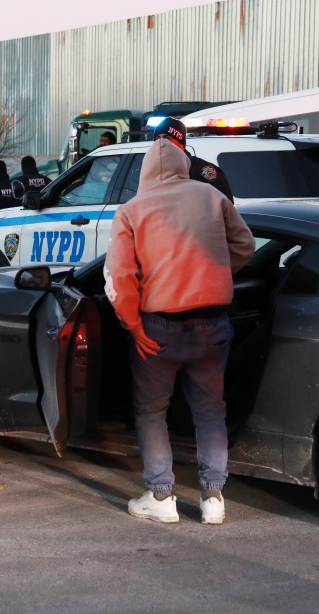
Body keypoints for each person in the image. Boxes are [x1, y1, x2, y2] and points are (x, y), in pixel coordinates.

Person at [104, 138, 253, 525]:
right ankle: (214, 497)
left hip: (158, 328)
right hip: (212, 324)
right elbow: (245, 246)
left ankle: (161, 496)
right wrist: (214, 274)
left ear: (146, 172)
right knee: (210, 411)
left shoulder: (131, 211)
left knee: (153, 411)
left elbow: (121, 278)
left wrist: (133, 327)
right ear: (184, 165)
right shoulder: (211, 197)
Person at [152, 117, 234, 201]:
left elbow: (225, 206)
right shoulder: (152, 171)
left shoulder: (201, 170)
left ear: (180, 143)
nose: (161, 142)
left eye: (167, 138)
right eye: (157, 138)